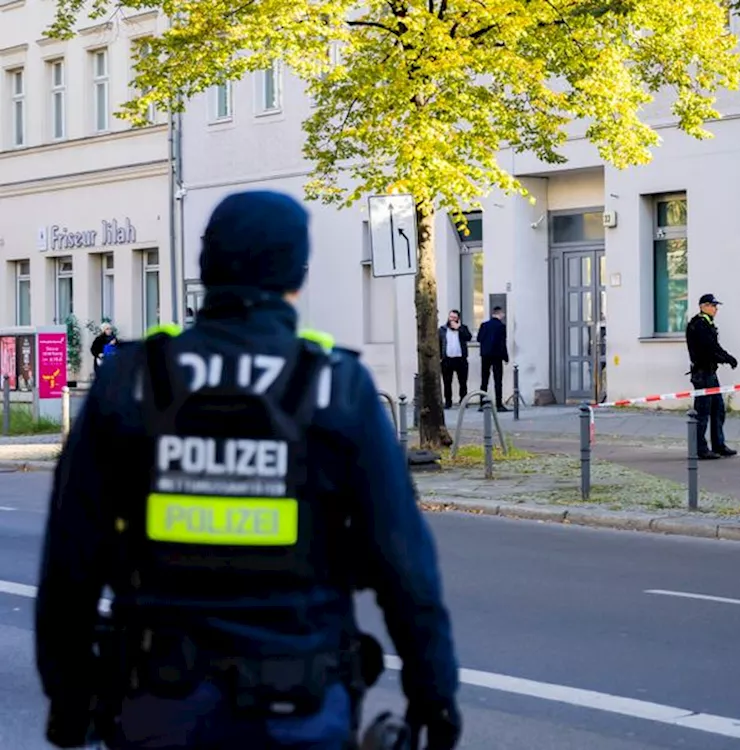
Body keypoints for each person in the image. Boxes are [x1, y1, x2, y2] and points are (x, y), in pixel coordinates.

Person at [35, 191, 461, 750]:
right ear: (297, 275)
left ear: (206, 269)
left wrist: (69, 698)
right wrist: (434, 695)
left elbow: (71, 561)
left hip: (158, 703)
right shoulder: (337, 386)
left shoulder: (131, 382)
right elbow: (404, 563)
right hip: (300, 706)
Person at [686, 293, 738, 460]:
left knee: (718, 408)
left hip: (710, 372)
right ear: (703, 306)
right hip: (702, 374)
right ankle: (700, 448)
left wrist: (726, 357)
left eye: (716, 306)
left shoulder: (707, 323)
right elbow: (710, 349)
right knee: (702, 411)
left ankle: (719, 445)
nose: (716, 309)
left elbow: (714, 347)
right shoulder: (699, 325)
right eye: (712, 305)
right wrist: (726, 358)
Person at [477, 306, 510, 412]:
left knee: (484, 380)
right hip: (496, 356)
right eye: (503, 314)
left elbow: (479, 338)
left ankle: (482, 403)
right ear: (499, 314)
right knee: (498, 380)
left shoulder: (484, 325)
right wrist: (506, 357)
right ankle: (499, 404)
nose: (503, 316)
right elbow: (502, 343)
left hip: (485, 355)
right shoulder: (501, 326)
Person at [438, 309, 471, 409]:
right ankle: (448, 401)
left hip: (460, 359)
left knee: (463, 382)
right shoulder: (442, 330)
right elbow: (439, 343)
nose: (452, 319)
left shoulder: (463, 328)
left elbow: (468, 337)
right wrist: (440, 357)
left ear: (458, 319)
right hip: (447, 360)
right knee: (447, 382)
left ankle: (463, 400)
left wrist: (459, 328)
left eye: (454, 318)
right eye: (451, 317)